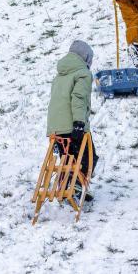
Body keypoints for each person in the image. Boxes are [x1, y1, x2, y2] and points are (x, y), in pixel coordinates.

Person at [46, 40, 98, 201]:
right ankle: (76, 185)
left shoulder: (59, 75)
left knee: (68, 158)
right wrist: (79, 123)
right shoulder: (83, 74)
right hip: (72, 125)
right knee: (89, 157)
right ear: (86, 58)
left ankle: (68, 184)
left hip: (56, 128)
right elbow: (78, 98)